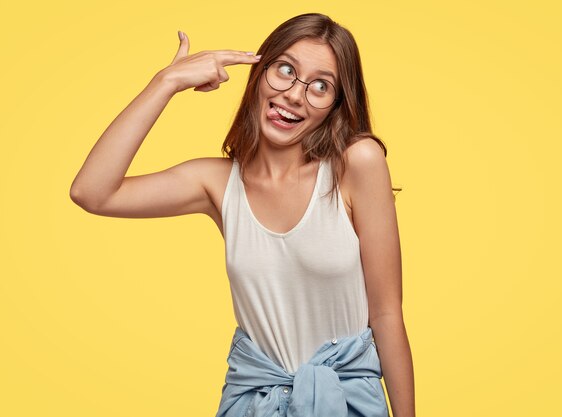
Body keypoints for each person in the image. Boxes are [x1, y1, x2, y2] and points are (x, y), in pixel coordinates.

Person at [70, 13, 415, 417]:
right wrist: (166, 82)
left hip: (347, 402)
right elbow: (91, 192)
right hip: (253, 403)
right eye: (285, 70)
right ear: (258, 71)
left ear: (336, 104)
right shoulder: (215, 184)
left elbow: (387, 314)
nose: (294, 95)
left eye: (320, 86)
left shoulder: (357, 164)